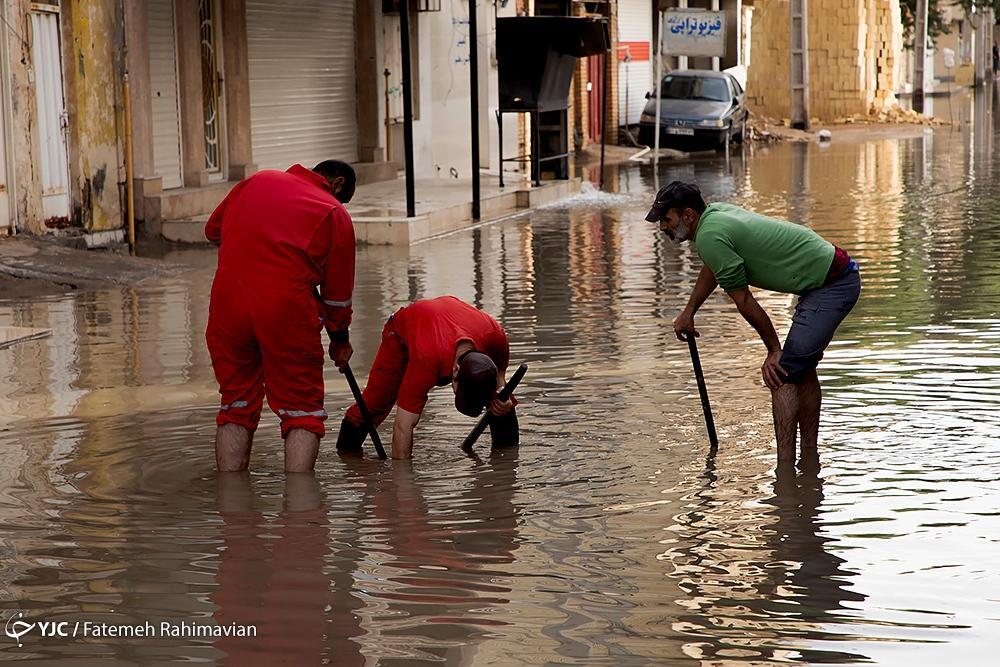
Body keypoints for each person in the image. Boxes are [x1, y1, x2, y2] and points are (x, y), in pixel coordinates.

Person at [646, 182, 860, 461]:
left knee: (781, 373)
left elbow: (744, 301)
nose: (663, 226)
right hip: (823, 280)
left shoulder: (710, 235)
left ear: (688, 215)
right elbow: (715, 267)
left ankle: (785, 470)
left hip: (833, 284)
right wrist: (689, 311)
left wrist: (773, 350)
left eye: (666, 219)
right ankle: (809, 460)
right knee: (801, 367)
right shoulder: (714, 217)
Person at [205, 160, 357, 473]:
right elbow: (337, 298)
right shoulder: (333, 211)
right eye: (343, 198)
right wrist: (340, 340)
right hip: (285, 307)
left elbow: (213, 231)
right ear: (338, 184)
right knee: (302, 409)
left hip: (228, 301)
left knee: (235, 404)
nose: (341, 204)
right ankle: (301, 511)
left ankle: (232, 507)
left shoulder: (257, 181)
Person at [336, 296, 517, 459]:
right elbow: (403, 426)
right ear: (455, 371)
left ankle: (507, 463)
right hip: (402, 336)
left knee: (501, 403)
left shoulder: (496, 338)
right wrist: (403, 483)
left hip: (447, 329)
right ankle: (346, 457)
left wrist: (504, 400)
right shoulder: (427, 358)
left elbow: (501, 382)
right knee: (374, 403)